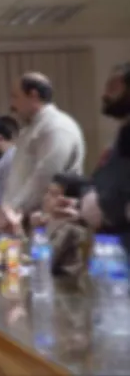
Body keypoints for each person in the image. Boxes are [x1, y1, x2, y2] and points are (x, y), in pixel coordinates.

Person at [1, 72, 85, 219]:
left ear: (33, 95)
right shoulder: (29, 130)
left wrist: (12, 210)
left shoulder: (57, 127)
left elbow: (44, 179)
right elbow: (18, 178)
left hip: (51, 222)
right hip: (22, 220)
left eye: (15, 97)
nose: (12, 104)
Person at [79, 63, 130, 253]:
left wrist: (99, 203)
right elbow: (100, 181)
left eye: (113, 88)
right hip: (115, 246)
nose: (104, 95)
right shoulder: (121, 137)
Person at [29, 173, 91, 277]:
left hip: (64, 283)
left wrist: (38, 229)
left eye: (53, 194)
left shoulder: (71, 228)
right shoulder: (48, 221)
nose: (46, 198)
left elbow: (43, 262)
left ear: (68, 202)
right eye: (47, 192)